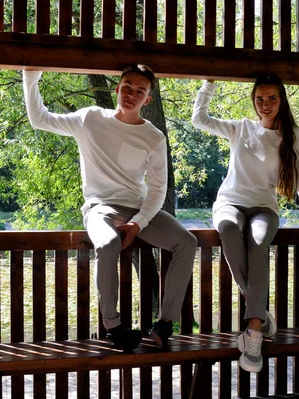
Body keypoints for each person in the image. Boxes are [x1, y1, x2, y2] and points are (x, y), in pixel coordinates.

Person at [23, 65, 197, 351]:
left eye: (140, 91)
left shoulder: (153, 137)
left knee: (186, 242)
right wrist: (31, 76)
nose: (132, 94)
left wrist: (138, 223)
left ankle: (165, 323)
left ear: (147, 99)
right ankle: (113, 326)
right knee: (107, 242)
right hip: (100, 208)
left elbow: (157, 190)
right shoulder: (90, 118)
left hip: (140, 209)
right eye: (127, 86)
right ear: (117, 88)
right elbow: (39, 119)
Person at [191, 74, 299, 372]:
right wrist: (207, 85)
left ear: (282, 100)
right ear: (253, 101)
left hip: (264, 208)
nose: (265, 104)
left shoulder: (293, 136)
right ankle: (257, 310)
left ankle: (254, 331)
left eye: (271, 98)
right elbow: (199, 119)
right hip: (229, 203)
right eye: (259, 99)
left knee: (259, 242)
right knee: (229, 228)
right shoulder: (240, 128)